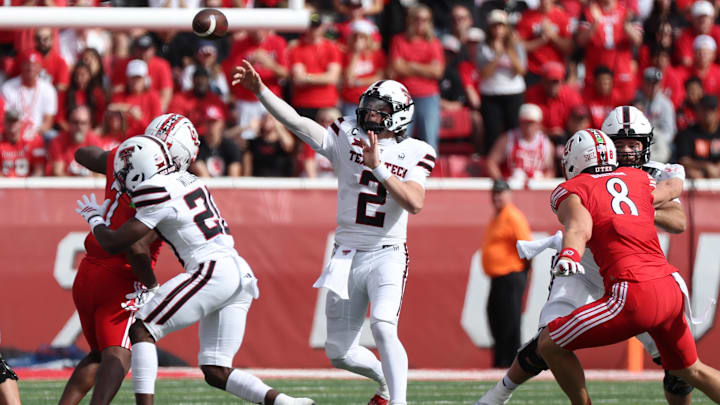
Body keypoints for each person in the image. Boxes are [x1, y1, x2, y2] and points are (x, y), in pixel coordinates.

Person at [232, 60, 436, 405]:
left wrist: (380, 170)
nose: (370, 114)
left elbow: (415, 202)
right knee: (339, 352)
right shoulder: (345, 135)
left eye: (380, 109)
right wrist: (261, 92)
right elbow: (297, 123)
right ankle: (385, 383)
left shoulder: (417, 150)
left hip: (387, 251)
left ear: (399, 114)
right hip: (345, 253)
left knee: (384, 327)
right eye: (368, 107)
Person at [74, 135, 315, 405]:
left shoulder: (154, 189)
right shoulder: (191, 179)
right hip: (239, 273)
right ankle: (285, 402)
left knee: (142, 327)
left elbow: (120, 242)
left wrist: (95, 219)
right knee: (216, 370)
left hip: (211, 270)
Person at [474, 106, 690, 405]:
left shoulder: (653, 175)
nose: (627, 151)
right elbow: (579, 223)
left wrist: (628, 206)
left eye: (634, 144)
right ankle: (498, 395)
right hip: (583, 265)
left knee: (679, 373)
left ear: (646, 144)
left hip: (632, 272)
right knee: (546, 340)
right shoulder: (593, 174)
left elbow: (678, 221)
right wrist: (628, 203)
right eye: (619, 143)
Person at [537, 128, 720, 405]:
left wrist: (570, 255)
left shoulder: (572, 189)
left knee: (549, 345)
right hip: (670, 289)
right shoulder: (637, 177)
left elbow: (578, 225)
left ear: (574, 161)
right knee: (690, 369)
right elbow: (671, 188)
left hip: (633, 293)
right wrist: (678, 174)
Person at [57, 113, 198, 405]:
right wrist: (151, 285)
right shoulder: (167, 186)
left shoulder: (125, 158)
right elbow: (136, 248)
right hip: (121, 276)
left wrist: (118, 160)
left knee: (99, 354)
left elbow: (83, 154)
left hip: (87, 270)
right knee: (118, 354)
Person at [482, 179, 531, 368]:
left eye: (501, 193)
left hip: (512, 274)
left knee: (510, 320)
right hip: (498, 276)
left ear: (509, 195)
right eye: (494, 193)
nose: (496, 197)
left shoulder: (513, 216)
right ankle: (501, 361)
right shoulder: (497, 217)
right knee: (495, 316)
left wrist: (524, 274)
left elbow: (526, 247)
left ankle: (512, 363)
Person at [486, 103, 555, 185]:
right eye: (525, 122)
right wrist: (501, 183)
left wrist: (541, 183)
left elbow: (550, 170)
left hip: (535, 188)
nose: (528, 126)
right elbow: (491, 162)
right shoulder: (508, 139)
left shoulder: (546, 144)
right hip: (512, 186)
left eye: (531, 123)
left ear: (539, 124)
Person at [47, 106, 103, 177]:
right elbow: (57, 173)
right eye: (75, 122)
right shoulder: (58, 141)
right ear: (69, 123)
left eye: (83, 123)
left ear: (89, 125)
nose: (79, 126)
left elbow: (99, 174)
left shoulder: (94, 141)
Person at [675, 95, 720, 178]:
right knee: (692, 173)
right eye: (705, 110)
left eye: (712, 110)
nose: (708, 114)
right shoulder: (687, 134)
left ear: (717, 112)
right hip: (697, 175)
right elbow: (683, 160)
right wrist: (706, 166)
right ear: (698, 111)